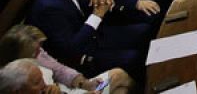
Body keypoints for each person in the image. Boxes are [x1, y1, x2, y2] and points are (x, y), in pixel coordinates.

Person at [0, 24, 132, 94]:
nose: (40, 52)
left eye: (40, 48)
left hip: (69, 89)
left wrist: (84, 84)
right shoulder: (14, 79)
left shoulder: (38, 53)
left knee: (118, 76)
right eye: (35, 51)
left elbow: (60, 70)